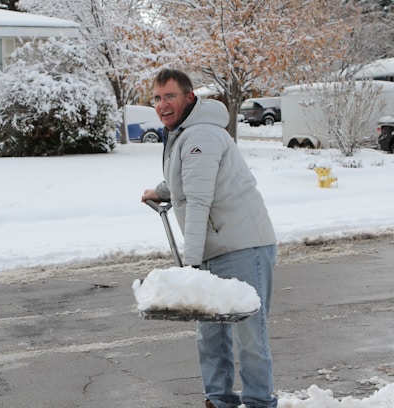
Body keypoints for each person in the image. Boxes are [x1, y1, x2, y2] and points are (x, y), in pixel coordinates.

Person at [141, 68, 278, 408]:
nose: (162, 105)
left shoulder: (200, 134)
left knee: (249, 335)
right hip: (215, 246)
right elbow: (188, 182)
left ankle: (259, 402)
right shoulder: (183, 133)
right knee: (211, 334)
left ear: (189, 97)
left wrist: (191, 267)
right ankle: (219, 401)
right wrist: (160, 191)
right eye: (157, 98)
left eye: (170, 96)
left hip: (243, 246)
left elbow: (199, 201)